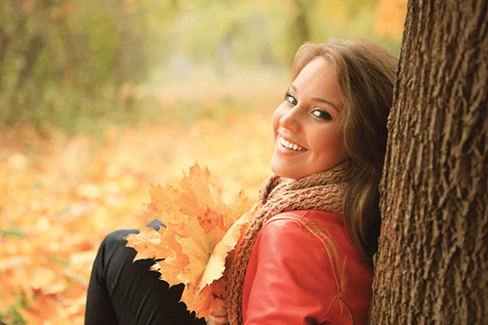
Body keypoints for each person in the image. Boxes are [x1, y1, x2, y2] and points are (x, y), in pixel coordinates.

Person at [85, 39, 398, 325]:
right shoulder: (359, 205)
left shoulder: (293, 234)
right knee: (147, 242)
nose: (288, 119)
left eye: (320, 113)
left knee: (116, 250)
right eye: (291, 99)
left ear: (361, 137)